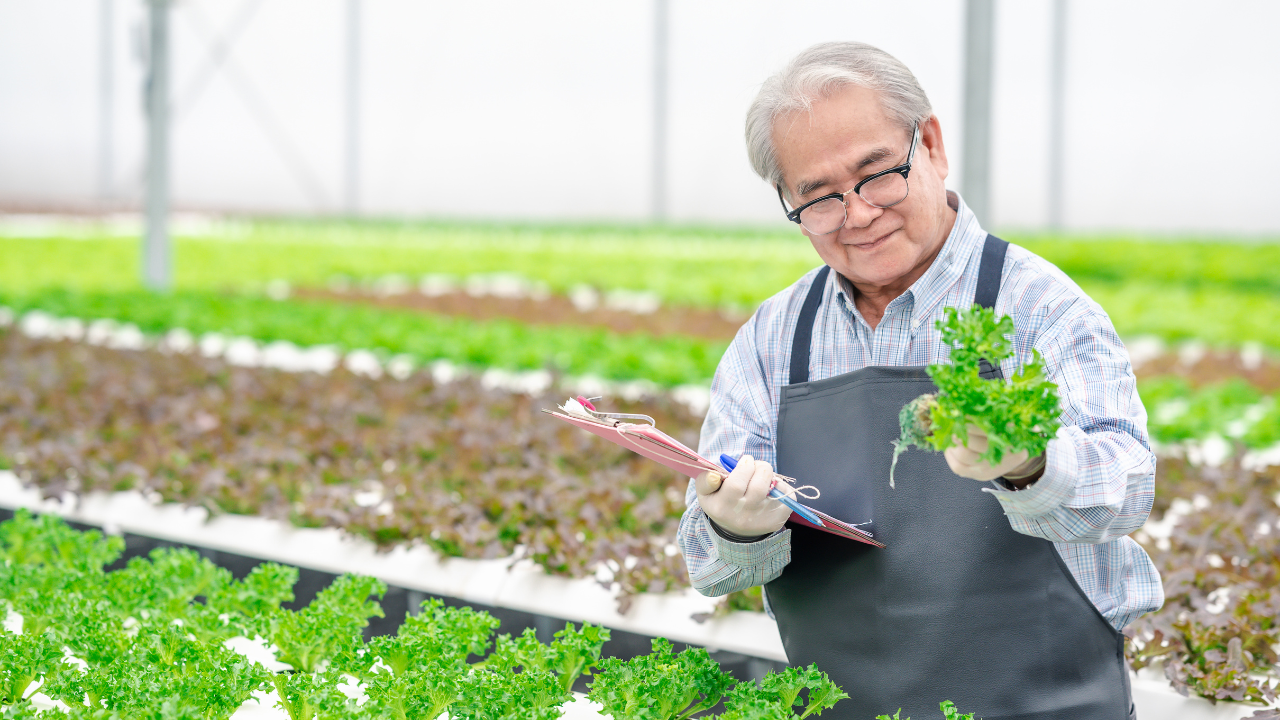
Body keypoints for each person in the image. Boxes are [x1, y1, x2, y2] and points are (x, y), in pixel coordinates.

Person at [676, 41, 1161, 720]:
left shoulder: (1038, 307)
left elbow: (1129, 487)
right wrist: (736, 529)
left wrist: (1031, 465)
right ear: (787, 201)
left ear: (930, 144)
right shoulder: (774, 339)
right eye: (819, 198)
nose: (859, 214)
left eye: (878, 175)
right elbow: (708, 566)